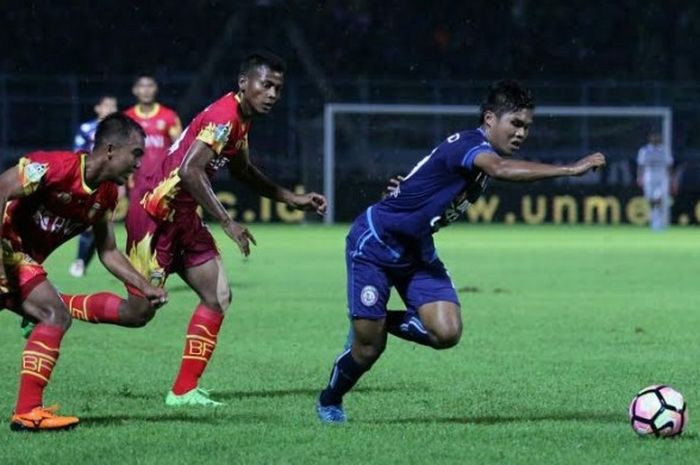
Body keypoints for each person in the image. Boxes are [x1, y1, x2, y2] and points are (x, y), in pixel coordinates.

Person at [315, 80, 607, 423]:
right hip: (375, 244)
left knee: (446, 333)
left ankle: (372, 322)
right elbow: (499, 169)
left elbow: (427, 176)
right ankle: (330, 400)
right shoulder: (473, 147)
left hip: (417, 251)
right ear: (489, 119)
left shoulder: (477, 153)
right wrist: (569, 169)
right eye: (515, 124)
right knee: (368, 350)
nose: (521, 133)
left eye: (527, 127)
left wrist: (403, 188)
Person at [59, 50, 327, 407]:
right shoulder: (223, 117)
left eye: (278, 88)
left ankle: (183, 391)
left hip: (184, 218)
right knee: (138, 314)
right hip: (155, 216)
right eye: (266, 85)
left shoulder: (241, 119)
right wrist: (228, 222)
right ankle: (58, 306)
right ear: (244, 83)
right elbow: (189, 170)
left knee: (218, 296)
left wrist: (290, 199)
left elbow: (243, 171)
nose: (273, 94)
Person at [1, 113, 167, 431]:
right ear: (109, 150)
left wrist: (144, 286)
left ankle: (27, 410)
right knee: (55, 314)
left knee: (53, 313)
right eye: (135, 154)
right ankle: (27, 411)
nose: (138, 163)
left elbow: (107, 251)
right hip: (7, 250)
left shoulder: (106, 195)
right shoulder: (53, 168)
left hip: (22, 262)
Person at [68, 95, 119, 277]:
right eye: (107, 105)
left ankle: (82, 262)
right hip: (89, 182)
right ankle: (80, 261)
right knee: (90, 223)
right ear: (98, 108)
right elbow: (77, 154)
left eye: (114, 105)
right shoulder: (86, 129)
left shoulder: (120, 131)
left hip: (111, 182)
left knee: (100, 224)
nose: (111, 108)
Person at [124, 74, 182, 189]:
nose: (146, 90)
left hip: (164, 182)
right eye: (142, 86)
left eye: (150, 86)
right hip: (136, 183)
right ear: (135, 90)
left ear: (156, 89)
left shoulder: (169, 116)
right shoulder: (127, 118)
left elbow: (181, 150)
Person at [636, 131, 673, 230]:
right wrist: (639, 177)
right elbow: (641, 165)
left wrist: (671, 178)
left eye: (657, 136)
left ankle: (659, 221)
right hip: (649, 176)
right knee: (650, 199)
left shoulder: (664, 150)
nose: (655, 138)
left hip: (662, 176)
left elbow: (669, 165)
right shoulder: (644, 150)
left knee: (659, 198)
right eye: (653, 136)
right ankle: (654, 217)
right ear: (650, 138)